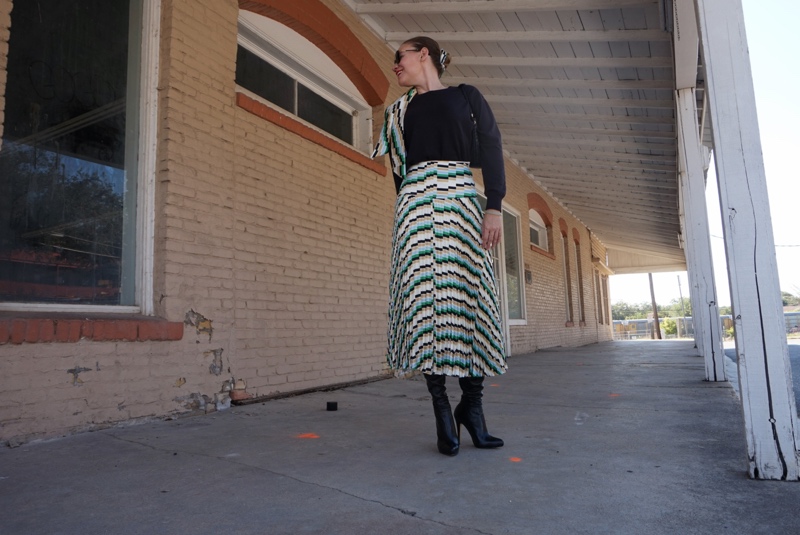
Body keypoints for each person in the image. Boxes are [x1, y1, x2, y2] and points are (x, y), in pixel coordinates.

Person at [372, 36, 507, 456]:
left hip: (463, 202)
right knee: (423, 302)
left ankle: (474, 407)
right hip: (415, 206)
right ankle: (441, 410)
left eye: (400, 57)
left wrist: (495, 205)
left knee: (470, 299)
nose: (395, 65)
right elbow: (399, 173)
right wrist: (411, 211)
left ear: (423, 54)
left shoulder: (466, 97)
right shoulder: (398, 111)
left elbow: (492, 146)